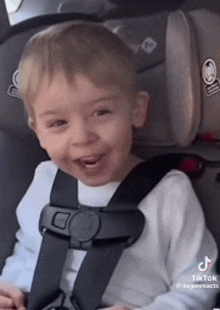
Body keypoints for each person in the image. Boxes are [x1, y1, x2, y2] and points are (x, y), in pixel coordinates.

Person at [0, 21, 218, 310]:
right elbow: (27, 250)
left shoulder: (169, 192)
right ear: (38, 131)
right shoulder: (44, 181)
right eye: (58, 123)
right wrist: (11, 286)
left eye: (101, 112)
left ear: (137, 110)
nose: (82, 137)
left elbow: (202, 277)